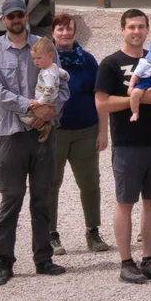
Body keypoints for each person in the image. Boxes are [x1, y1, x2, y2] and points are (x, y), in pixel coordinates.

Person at [0, 0, 65, 285]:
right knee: (12, 198)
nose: (17, 19)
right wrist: (31, 108)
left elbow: (62, 85)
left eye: (21, 15)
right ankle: (3, 262)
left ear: (27, 16)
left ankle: (43, 259)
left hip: (43, 133)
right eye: (11, 16)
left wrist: (50, 111)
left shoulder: (44, 45)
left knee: (41, 198)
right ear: (3, 19)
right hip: (11, 134)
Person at [91, 8, 151, 284]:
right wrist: (136, 101)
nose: (136, 32)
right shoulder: (111, 63)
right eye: (131, 27)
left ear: (148, 30)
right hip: (127, 144)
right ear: (122, 30)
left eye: (141, 27)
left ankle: (149, 259)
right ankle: (126, 262)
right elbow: (102, 103)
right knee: (125, 202)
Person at [44, 13, 108, 255]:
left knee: (90, 183)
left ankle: (93, 231)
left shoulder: (88, 61)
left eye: (69, 29)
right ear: (53, 33)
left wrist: (103, 132)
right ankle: (50, 234)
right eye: (60, 29)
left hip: (85, 131)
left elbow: (100, 98)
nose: (65, 34)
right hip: (55, 132)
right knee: (51, 184)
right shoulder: (45, 61)